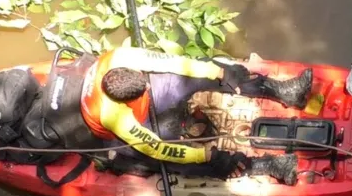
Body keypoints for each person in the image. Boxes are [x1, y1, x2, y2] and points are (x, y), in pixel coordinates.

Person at [79, 46, 313, 185]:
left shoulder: (122, 56)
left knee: (209, 71)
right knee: (169, 160)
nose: (148, 86)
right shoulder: (113, 115)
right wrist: (205, 155)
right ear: (123, 101)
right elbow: (156, 148)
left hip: (142, 102)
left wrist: (220, 72)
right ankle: (268, 166)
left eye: (144, 83)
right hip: (132, 129)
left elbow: (177, 63)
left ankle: (284, 91)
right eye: (142, 89)